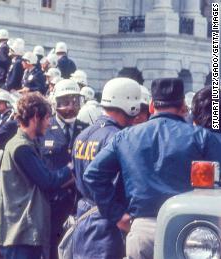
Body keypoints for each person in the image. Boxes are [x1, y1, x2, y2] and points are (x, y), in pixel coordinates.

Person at [83, 78, 221, 259]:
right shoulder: (201, 137)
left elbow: (93, 175)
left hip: (142, 230)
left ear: (150, 106)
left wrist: (117, 215)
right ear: (182, 107)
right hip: (189, 232)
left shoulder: (125, 137)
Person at [0, 92, 71, 259]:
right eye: (48, 118)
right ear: (36, 116)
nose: (49, 124)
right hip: (19, 236)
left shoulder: (24, 144)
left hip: (22, 234)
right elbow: (47, 181)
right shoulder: (21, 148)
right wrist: (73, 167)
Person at [72, 77, 142, 259]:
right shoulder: (118, 138)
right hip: (108, 224)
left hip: (83, 218)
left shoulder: (82, 135)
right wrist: (118, 215)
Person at [39, 79, 88, 259]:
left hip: (79, 204)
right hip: (52, 204)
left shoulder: (86, 130)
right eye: (65, 102)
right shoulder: (44, 129)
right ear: (55, 103)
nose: (70, 107)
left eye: (75, 101)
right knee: (53, 250)